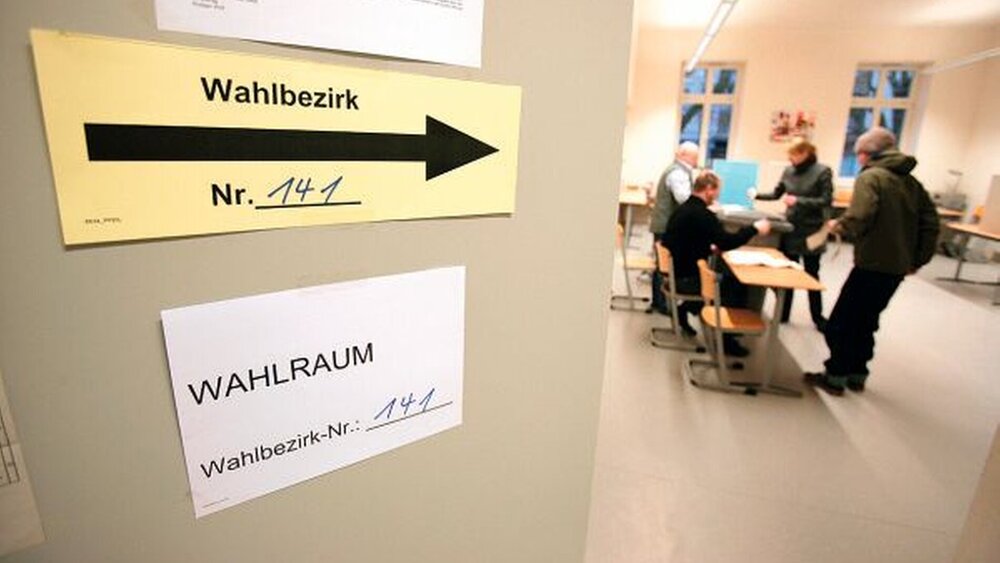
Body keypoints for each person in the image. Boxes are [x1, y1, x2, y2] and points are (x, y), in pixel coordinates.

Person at [805, 127, 939, 395]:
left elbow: (860, 214)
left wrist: (839, 226)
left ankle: (835, 376)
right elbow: (931, 224)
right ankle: (858, 374)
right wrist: (917, 260)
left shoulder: (871, 177)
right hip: (896, 267)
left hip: (871, 263)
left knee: (842, 322)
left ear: (866, 154)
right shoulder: (912, 183)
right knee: (867, 321)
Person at [661, 170, 772, 357]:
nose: (718, 196)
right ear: (709, 189)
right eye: (717, 191)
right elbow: (727, 242)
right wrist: (754, 229)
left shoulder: (684, 209)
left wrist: (709, 247)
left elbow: (688, 240)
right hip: (685, 279)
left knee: (724, 280)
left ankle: (684, 310)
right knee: (734, 285)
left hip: (676, 272)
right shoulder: (702, 214)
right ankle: (726, 339)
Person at [753, 140, 833, 331]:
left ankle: (817, 317)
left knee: (812, 273)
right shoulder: (789, 171)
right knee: (787, 272)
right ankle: (783, 313)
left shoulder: (822, 171)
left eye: (794, 154)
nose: (790, 158)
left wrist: (798, 200)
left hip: (812, 230)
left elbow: (826, 200)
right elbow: (776, 194)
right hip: (791, 228)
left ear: (805, 153)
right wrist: (757, 195)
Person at [648, 141, 699, 314]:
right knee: (664, 266)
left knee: (662, 265)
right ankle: (661, 303)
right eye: (695, 156)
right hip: (666, 226)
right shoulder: (678, 172)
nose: (696, 160)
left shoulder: (677, 170)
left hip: (664, 224)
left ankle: (660, 301)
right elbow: (683, 199)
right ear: (684, 155)